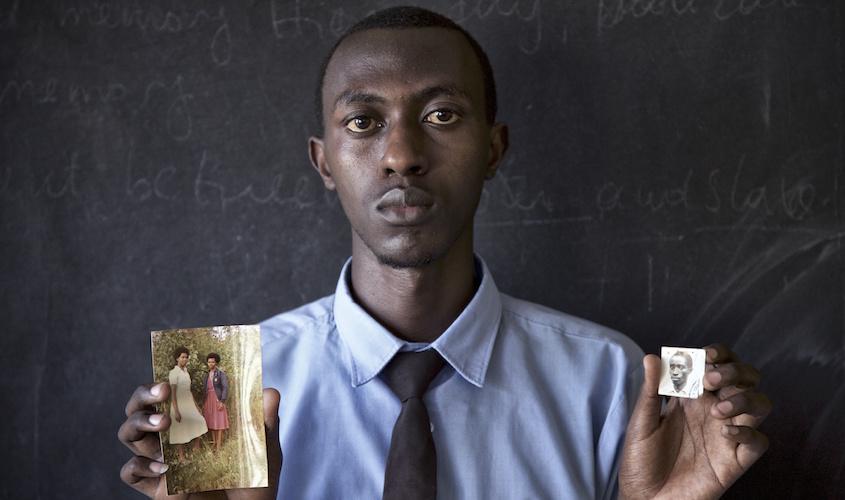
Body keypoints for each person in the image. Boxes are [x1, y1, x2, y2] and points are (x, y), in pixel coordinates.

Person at [119, 6, 771, 499]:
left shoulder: (614, 376)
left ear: (493, 149)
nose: (402, 155)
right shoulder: (223, 388)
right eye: (362, 122)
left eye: (441, 115)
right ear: (323, 162)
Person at [168, 346, 209, 463]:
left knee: (200, 421)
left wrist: (196, 406)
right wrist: (176, 411)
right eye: (182, 357)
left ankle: (196, 447)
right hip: (179, 403)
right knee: (180, 427)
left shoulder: (186, 373)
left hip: (189, 402)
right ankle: (181, 456)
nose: (184, 360)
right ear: (177, 358)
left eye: (186, 357)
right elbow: (173, 393)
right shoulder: (173, 373)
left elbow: (189, 390)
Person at [202, 352, 230, 454]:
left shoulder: (221, 374)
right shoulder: (206, 375)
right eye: (209, 362)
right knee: (211, 422)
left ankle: (218, 447)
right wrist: (203, 402)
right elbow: (204, 389)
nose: (210, 364)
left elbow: (225, 387)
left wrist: (222, 401)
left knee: (219, 423)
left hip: (217, 399)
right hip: (208, 400)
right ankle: (213, 442)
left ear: (216, 363)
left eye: (212, 362)